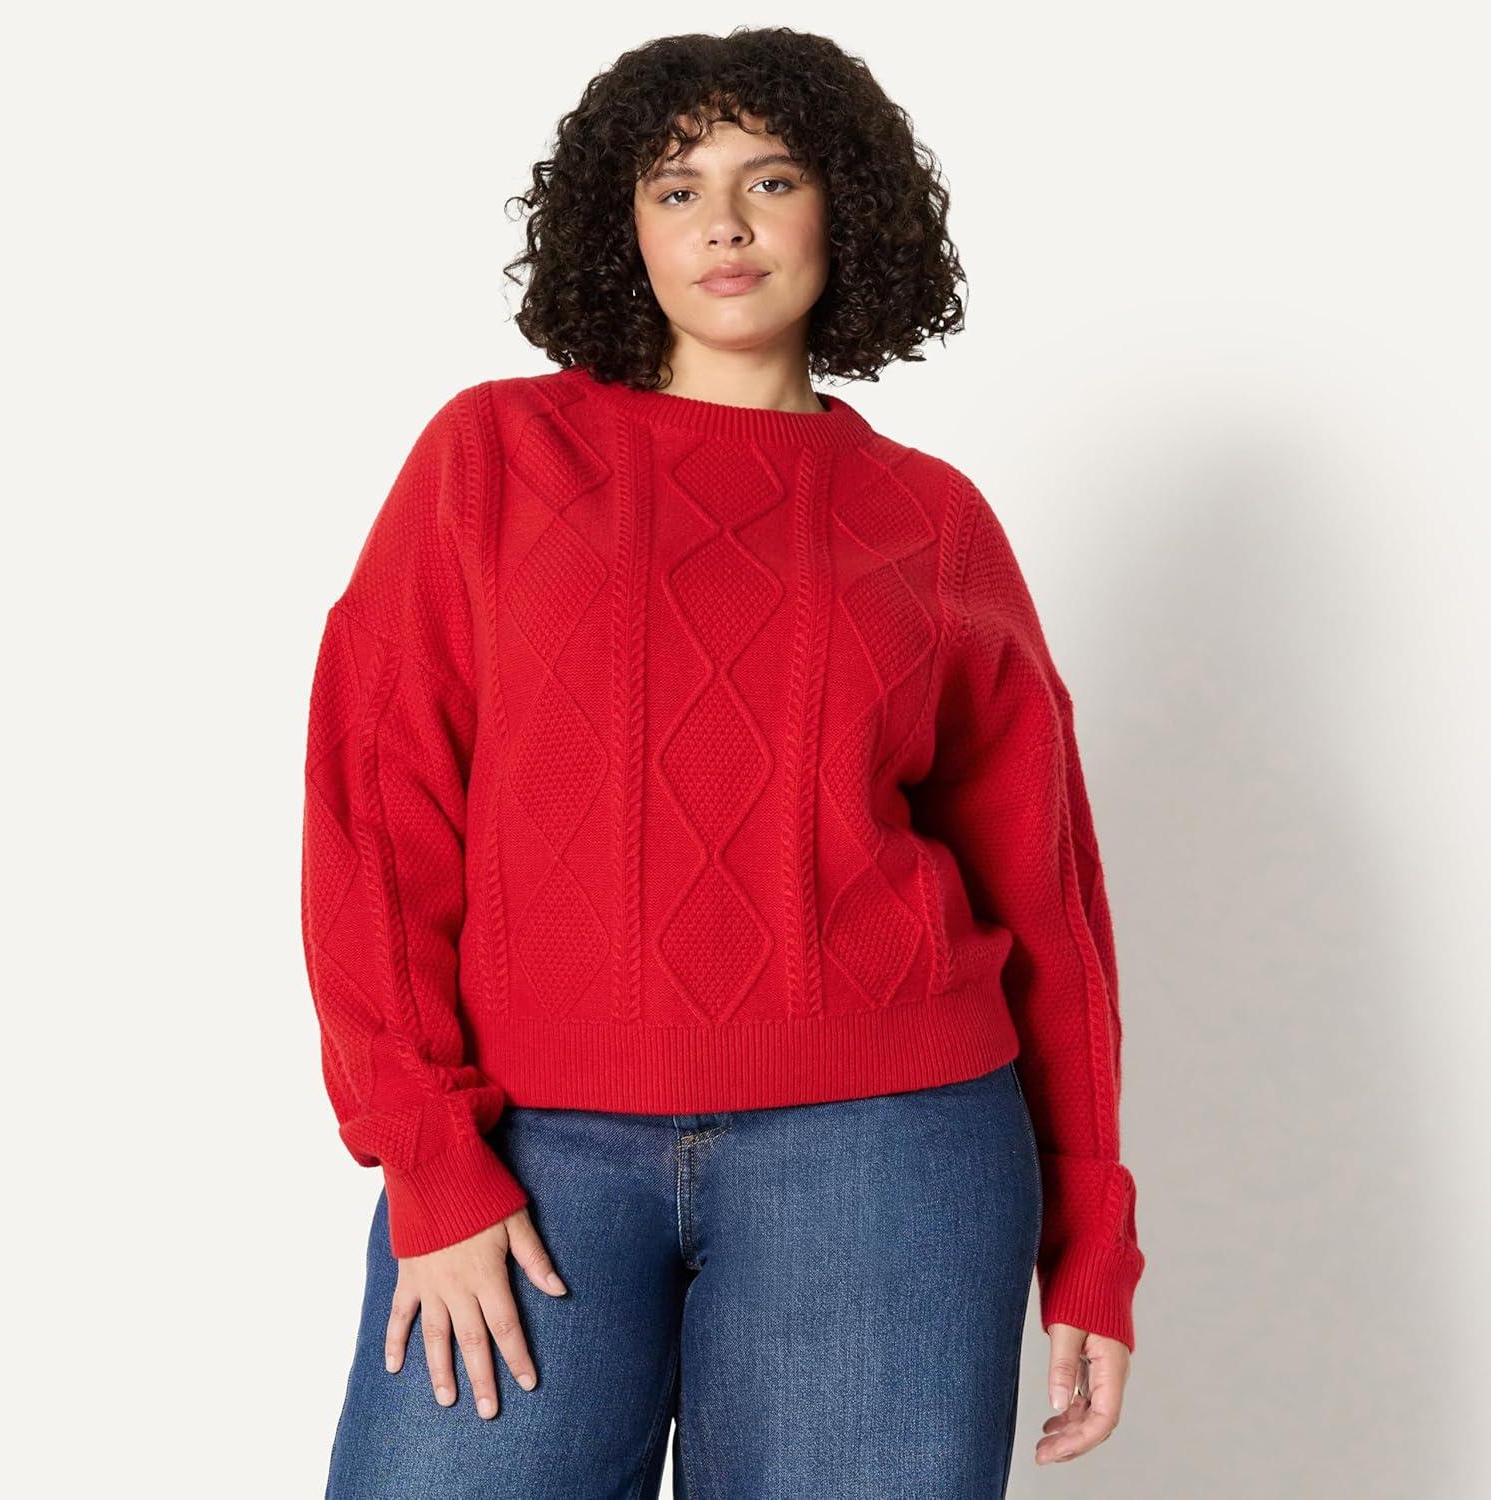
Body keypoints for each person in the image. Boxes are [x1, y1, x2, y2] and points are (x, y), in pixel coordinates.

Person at [300, 27, 1145, 1498]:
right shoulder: (494, 456)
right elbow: (378, 808)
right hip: (530, 1148)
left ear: (845, 208)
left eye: (772, 180)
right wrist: (426, 1153)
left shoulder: (931, 520)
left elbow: (1047, 897)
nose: (726, 225)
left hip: (892, 1152)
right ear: (622, 228)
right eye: (677, 188)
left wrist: (1092, 1235)